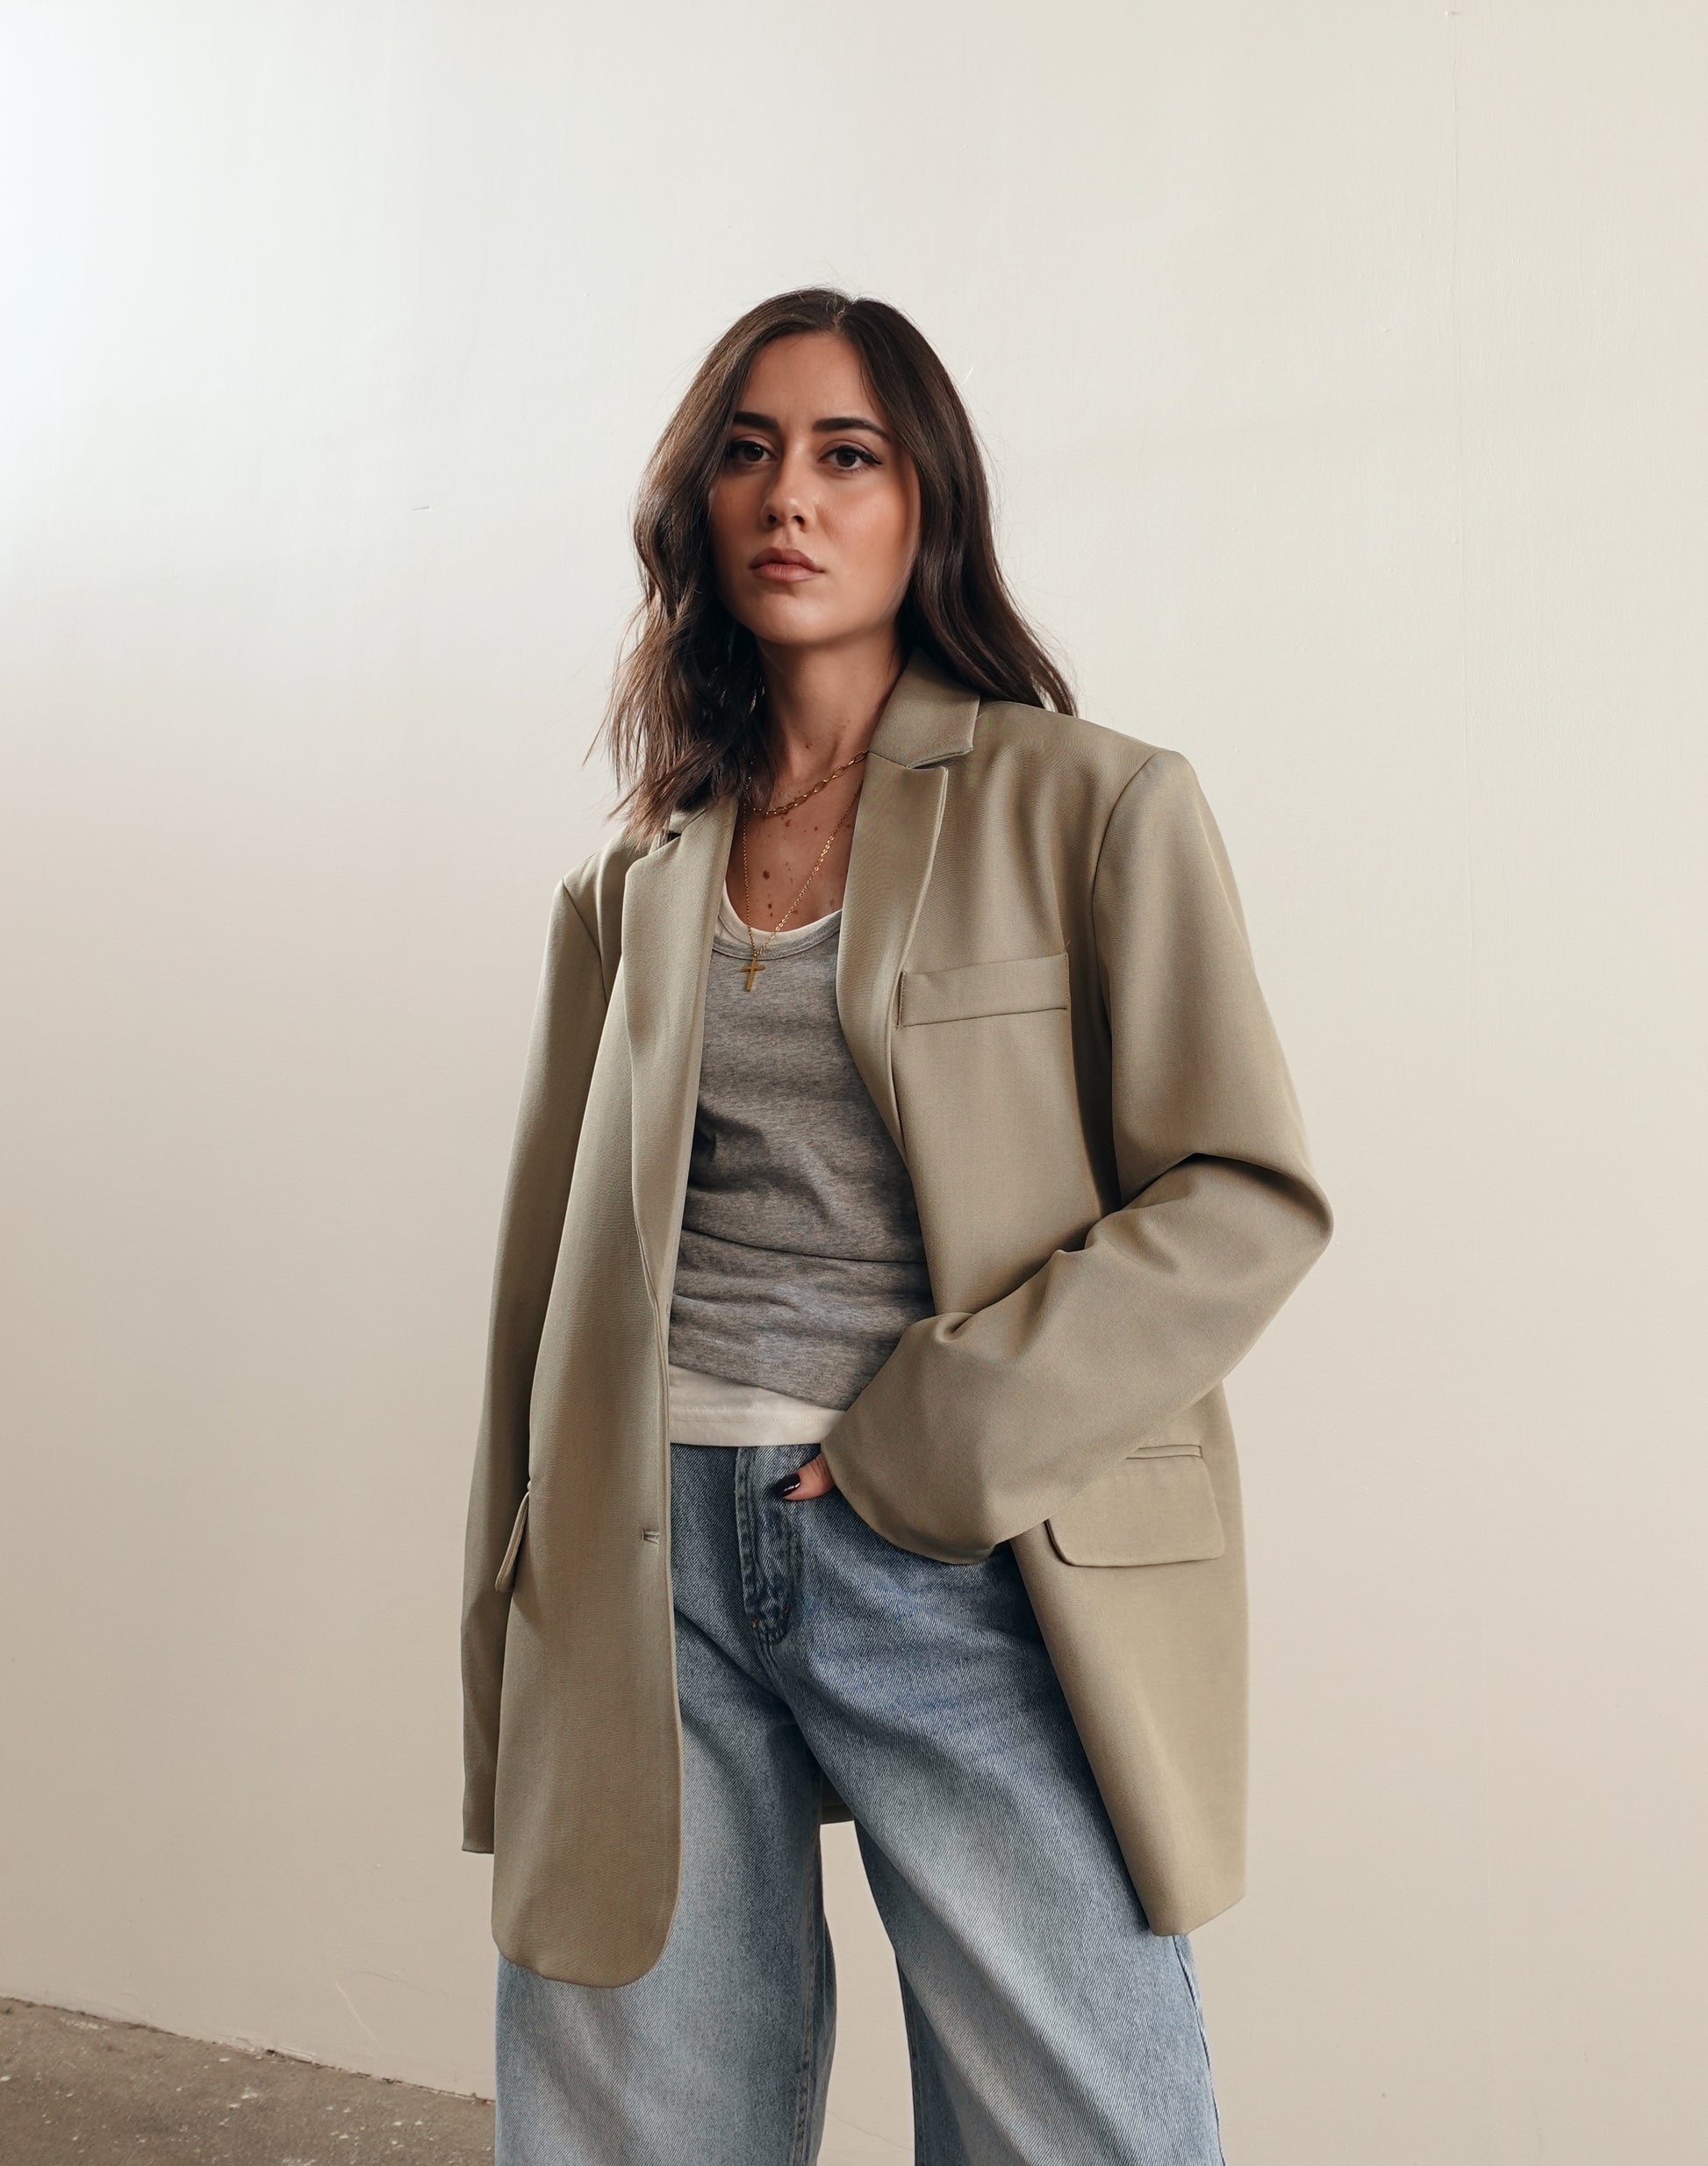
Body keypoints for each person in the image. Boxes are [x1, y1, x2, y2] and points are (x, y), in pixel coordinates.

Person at [461, 287, 1334, 2165]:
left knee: (1080, 2128)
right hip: (645, 1556)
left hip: (957, 1550)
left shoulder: (1087, 803)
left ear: (923, 501)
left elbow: (1241, 1193)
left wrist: (922, 1447)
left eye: (845, 455)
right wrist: (514, 1597)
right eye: (747, 453)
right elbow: (546, 1287)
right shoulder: (635, 875)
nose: (789, 495)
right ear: (697, 506)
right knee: (632, 2129)